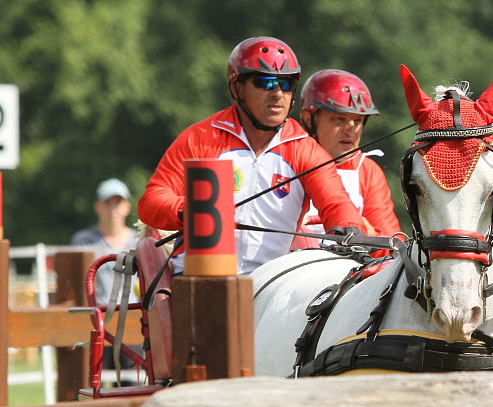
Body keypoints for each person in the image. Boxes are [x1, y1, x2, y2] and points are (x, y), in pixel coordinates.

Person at [138, 36, 366, 275]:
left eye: (286, 84)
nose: (278, 93)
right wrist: (187, 210)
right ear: (237, 88)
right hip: (199, 277)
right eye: (265, 82)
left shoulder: (305, 149)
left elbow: (336, 203)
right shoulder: (200, 138)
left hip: (272, 284)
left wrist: (349, 227)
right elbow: (150, 202)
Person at [291, 69, 402, 250]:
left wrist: (365, 230)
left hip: (349, 271)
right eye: (338, 119)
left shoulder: (368, 170)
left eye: (357, 120)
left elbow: (391, 246)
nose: (350, 129)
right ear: (308, 119)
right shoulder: (288, 157)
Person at [70, 177, 140, 369]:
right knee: (93, 383)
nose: (112, 208)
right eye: (107, 202)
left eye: (117, 202)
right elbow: (73, 283)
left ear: (127, 206)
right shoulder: (82, 241)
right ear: (97, 206)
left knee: (132, 385)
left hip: (133, 320)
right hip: (95, 321)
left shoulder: (140, 240)